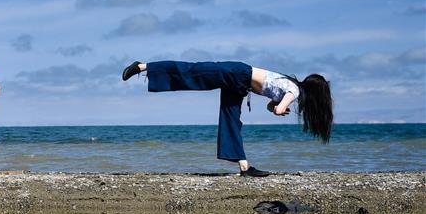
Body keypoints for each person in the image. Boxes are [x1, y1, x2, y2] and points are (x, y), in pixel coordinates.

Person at [121, 60, 332, 176]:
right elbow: (277, 109)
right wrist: (279, 110)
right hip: (238, 74)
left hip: (241, 83)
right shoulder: (294, 91)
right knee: (194, 71)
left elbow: (271, 105)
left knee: (231, 120)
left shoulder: (291, 87)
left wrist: (275, 108)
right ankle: (143, 66)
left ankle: (244, 167)